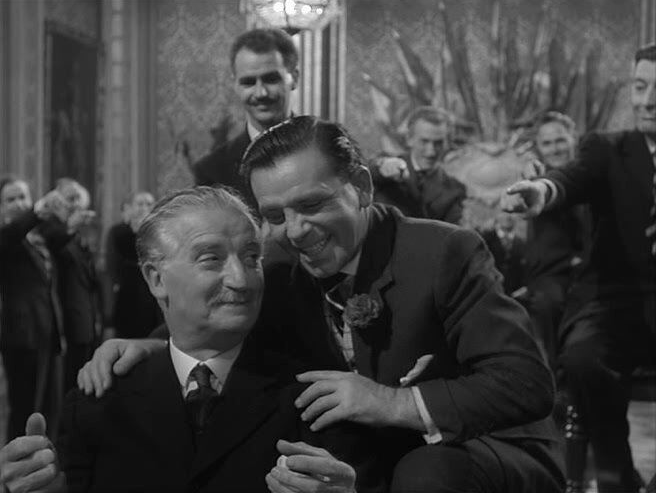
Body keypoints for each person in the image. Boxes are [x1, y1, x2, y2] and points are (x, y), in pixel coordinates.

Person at [78, 117, 565, 493]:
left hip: (482, 449)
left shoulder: (445, 252)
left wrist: (390, 402)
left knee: (424, 474)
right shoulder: (277, 265)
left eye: (311, 205)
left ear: (363, 187)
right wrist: (153, 348)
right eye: (275, 215)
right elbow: (222, 310)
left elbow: (526, 384)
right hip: (365, 458)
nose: (295, 231)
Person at [0, 186, 384, 493]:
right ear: (156, 279)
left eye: (252, 257)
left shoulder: (314, 398)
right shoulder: (96, 401)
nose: (241, 279)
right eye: (211, 259)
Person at [503, 44, 656, 492]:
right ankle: (615, 474)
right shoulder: (608, 148)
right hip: (612, 303)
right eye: (640, 87)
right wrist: (542, 190)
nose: (647, 101)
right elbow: (569, 180)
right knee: (582, 359)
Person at [192, 27, 299, 209]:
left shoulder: (326, 150)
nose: (260, 93)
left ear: (294, 78)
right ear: (235, 85)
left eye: (271, 79)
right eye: (248, 82)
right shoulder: (212, 171)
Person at [0, 177, 70, 441]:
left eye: (22, 197)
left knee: (50, 408)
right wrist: (37, 211)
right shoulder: (7, 237)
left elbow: (61, 240)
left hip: (49, 334)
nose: (18, 203)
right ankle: (16, 465)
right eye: (11, 199)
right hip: (22, 338)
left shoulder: (37, 239)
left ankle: (45, 460)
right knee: (24, 412)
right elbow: (13, 233)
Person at [521, 112, 587, 367]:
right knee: (548, 303)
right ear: (538, 147)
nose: (555, 149)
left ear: (573, 139)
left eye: (560, 140)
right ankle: (555, 376)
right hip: (551, 273)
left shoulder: (591, 174)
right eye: (546, 143)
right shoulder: (537, 180)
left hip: (591, 267)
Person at [370, 106, 466, 224]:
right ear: (409, 139)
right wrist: (384, 167)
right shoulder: (386, 165)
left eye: (438, 143)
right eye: (424, 141)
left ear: (448, 144)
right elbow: (369, 170)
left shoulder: (456, 190)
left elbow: (452, 231)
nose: (431, 151)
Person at [53, 178, 102, 391]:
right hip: (65, 324)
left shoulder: (80, 237)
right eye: (69, 199)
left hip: (86, 322)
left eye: (78, 200)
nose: (74, 204)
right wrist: (70, 227)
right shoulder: (53, 232)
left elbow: (91, 283)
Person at [105, 191, 163, 339]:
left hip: (154, 296)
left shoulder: (160, 232)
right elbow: (115, 265)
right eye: (140, 204)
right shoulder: (118, 232)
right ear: (130, 207)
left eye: (149, 204)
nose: (144, 208)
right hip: (128, 295)